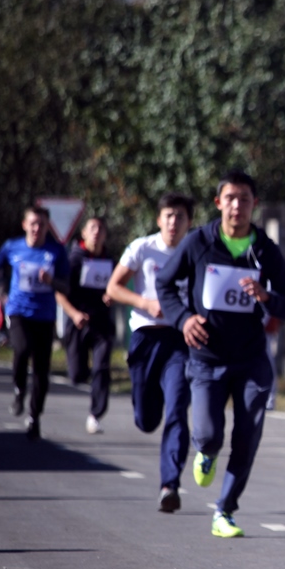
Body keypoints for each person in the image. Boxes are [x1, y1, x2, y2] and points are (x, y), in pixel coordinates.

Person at [156, 170, 285, 537]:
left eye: (245, 199)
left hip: (251, 359)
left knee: (248, 436)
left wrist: (267, 296)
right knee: (207, 434)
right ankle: (205, 450)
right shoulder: (198, 242)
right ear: (219, 203)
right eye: (230, 198)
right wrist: (183, 319)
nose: (238, 205)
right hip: (206, 357)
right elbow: (165, 283)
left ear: (254, 204)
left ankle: (225, 511)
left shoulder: (265, 249)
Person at [106, 193, 195, 513]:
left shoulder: (195, 250)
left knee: (177, 410)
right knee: (146, 419)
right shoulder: (142, 248)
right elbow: (113, 288)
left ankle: (170, 484)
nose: (174, 222)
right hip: (145, 338)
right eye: (169, 216)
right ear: (159, 219)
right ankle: (145, 411)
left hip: (179, 341)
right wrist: (146, 304)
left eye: (181, 217)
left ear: (189, 222)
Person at [0, 206, 71, 440]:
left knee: (42, 372)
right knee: (22, 350)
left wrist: (52, 281)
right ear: (25, 225)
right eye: (33, 223)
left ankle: (34, 417)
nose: (37, 228)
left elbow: (67, 287)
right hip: (18, 312)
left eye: (42, 224)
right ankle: (18, 389)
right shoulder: (13, 247)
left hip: (45, 316)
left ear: (47, 227)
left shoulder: (56, 251)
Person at [56, 217, 116, 435]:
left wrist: (112, 295)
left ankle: (95, 415)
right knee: (77, 374)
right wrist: (73, 314)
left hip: (101, 323)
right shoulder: (73, 260)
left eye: (101, 228)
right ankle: (83, 375)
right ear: (83, 234)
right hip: (78, 322)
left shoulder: (110, 259)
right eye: (92, 228)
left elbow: (116, 286)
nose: (97, 232)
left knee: (102, 368)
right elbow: (59, 293)